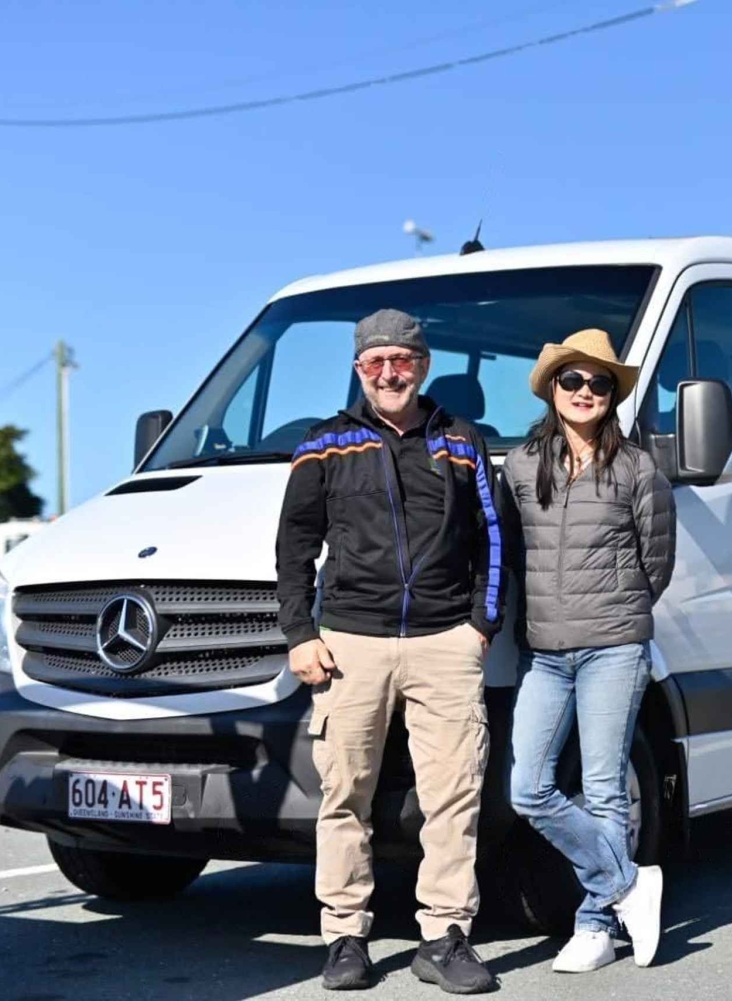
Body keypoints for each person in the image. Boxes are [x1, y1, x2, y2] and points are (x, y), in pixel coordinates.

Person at [276, 308, 504, 994]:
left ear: (422, 365)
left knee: (453, 795)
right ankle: (346, 936)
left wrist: (480, 624)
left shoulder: (462, 441)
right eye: (375, 363)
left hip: (445, 643)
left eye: (401, 360)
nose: (389, 373)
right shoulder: (325, 444)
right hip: (351, 641)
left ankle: (444, 936)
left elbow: (493, 539)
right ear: (358, 372)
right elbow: (293, 547)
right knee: (345, 793)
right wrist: (300, 632)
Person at [501, 328, 677, 973]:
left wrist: (616, 613)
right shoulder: (521, 467)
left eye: (599, 383)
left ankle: (595, 925)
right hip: (544, 652)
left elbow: (657, 562)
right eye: (572, 380)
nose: (584, 392)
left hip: (613, 648)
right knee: (529, 788)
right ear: (552, 388)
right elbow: (510, 555)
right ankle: (630, 883)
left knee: (604, 790)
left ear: (611, 395)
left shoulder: (637, 469)